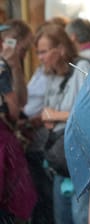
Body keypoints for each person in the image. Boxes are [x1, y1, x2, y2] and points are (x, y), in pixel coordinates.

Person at [34, 23, 90, 224]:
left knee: (81, 217)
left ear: (60, 49)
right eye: (38, 53)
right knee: (62, 218)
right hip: (59, 158)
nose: (40, 58)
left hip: (80, 157)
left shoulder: (82, 67)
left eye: (43, 52)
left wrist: (57, 115)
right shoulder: (50, 75)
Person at [0, 19, 37, 223]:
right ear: (11, 41)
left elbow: (22, 100)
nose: (24, 54)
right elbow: (15, 111)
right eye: (23, 49)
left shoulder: (9, 65)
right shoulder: (0, 68)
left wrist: (15, 67)